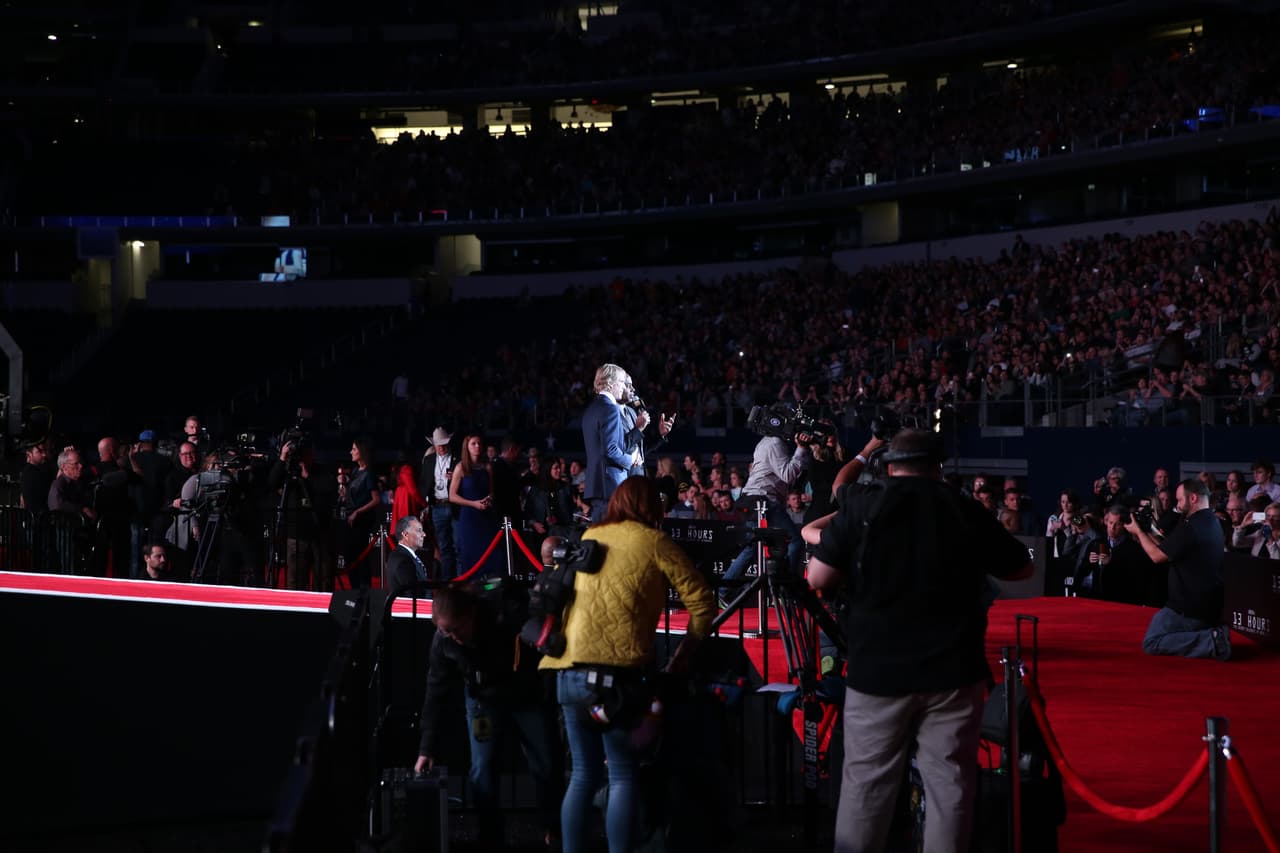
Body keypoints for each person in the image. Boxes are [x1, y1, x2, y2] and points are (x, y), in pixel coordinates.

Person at [804, 429, 1032, 853]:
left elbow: (817, 578)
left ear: (889, 466)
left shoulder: (864, 506)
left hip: (877, 674)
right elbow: (1020, 569)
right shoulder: (963, 509)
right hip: (954, 674)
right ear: (937, 467)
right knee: (950, 790)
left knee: (865, 788)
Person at [540, 477, 716, 853]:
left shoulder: (591, 536)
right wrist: (683, 656)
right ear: (653, 507)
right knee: (621, 774)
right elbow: (702, 603)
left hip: (567, 671)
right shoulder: (654, 542)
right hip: (614, 679)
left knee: (583, 775)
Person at [415, 583, 563, 848]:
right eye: (445, 630)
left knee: (546, 762)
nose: (453, 636)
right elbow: (435, 689)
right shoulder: (444, 640)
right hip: (482, 700)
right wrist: (426, 747)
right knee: (482, 769)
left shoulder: (505, 614)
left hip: (525, 696)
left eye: (457, 628)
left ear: (471, 613)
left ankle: (554, 828)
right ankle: (490, 836)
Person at [1125, 478, 1231, 661]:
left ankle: (1211, 641)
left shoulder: (1191, 527)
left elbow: (1157, 557)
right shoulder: (1211, 523)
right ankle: (1210, 633)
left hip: (1187, 609)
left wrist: (1138, 532)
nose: (1178, 505)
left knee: (1152, 642)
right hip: (1207, 605)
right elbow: (1169, 548)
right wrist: (1149, 531)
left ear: (1193, 498)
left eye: (1180, 500)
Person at [718, 420, 813, 600]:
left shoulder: (764, 442)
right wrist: (801, 450)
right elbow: (787, 474)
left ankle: (723, 591)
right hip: (763, 500)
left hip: (753, 498)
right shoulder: (775, 443)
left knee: (753, 547)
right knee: (795, 541)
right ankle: (786, 590)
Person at [581, 363, 634, 521]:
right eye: (622, 383)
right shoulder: (610, 408)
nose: (624, 387)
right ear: (611, 384)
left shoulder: (591, 408)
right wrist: (630, 460)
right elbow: (610, 450)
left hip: (597, 485)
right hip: (610, 485)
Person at [451, 434, 501, 578]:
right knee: (470, 556)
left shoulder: (487, 467)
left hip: (486, 517)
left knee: (491, 554)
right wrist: (474, 504)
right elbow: (452, 496)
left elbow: (492, 491)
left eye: (479, 443)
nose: (477, 446)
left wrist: (488, 500)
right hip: (469, 517)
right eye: (473, 443)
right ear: (466, 447)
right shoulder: (461, 467)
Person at [342, 440, 383, 587]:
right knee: (351, 558)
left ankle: (364, 590)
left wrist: (358, 512)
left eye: (354, 449)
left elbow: (376, 499)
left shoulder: (369, 474)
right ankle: (354, 590)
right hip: (350, 521)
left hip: (361, 522)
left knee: (360, 558)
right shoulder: (355, 471)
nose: (351, 452)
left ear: (361, 451)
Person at [420, 427, 460, 579]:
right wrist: (425, 505)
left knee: (458, 546)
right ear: (434, 445)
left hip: (455, 506)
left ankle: (459, 581)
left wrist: (456, 477)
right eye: (438, 444)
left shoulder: (458, 458)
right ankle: (446, 583)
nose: (441, 447)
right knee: (444, 548)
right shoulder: (429, 460)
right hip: (437, 506)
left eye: (444, 444)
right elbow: (423, 484)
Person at [387, 515, 431, 593]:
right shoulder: (403, 560)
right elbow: (413, 595)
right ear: (405, 534)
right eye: (419, 530)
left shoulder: (402, 555)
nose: (424, 534)